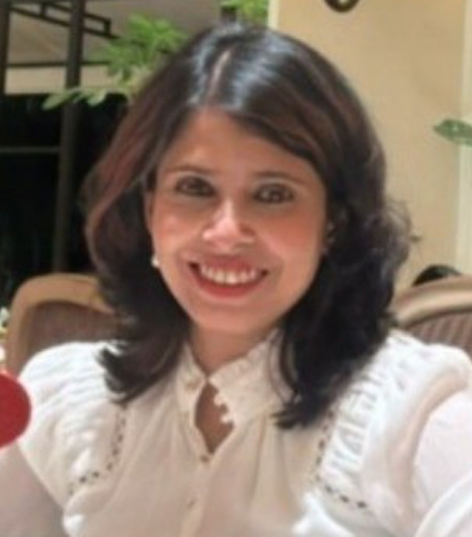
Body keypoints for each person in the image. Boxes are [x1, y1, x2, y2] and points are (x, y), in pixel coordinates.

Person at [2, 22, 472, 537]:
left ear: (334, 221)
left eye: (273, 194)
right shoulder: (66, 401)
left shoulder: (415, 413)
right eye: (194, 187)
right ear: (150, 207)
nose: (226, 232)